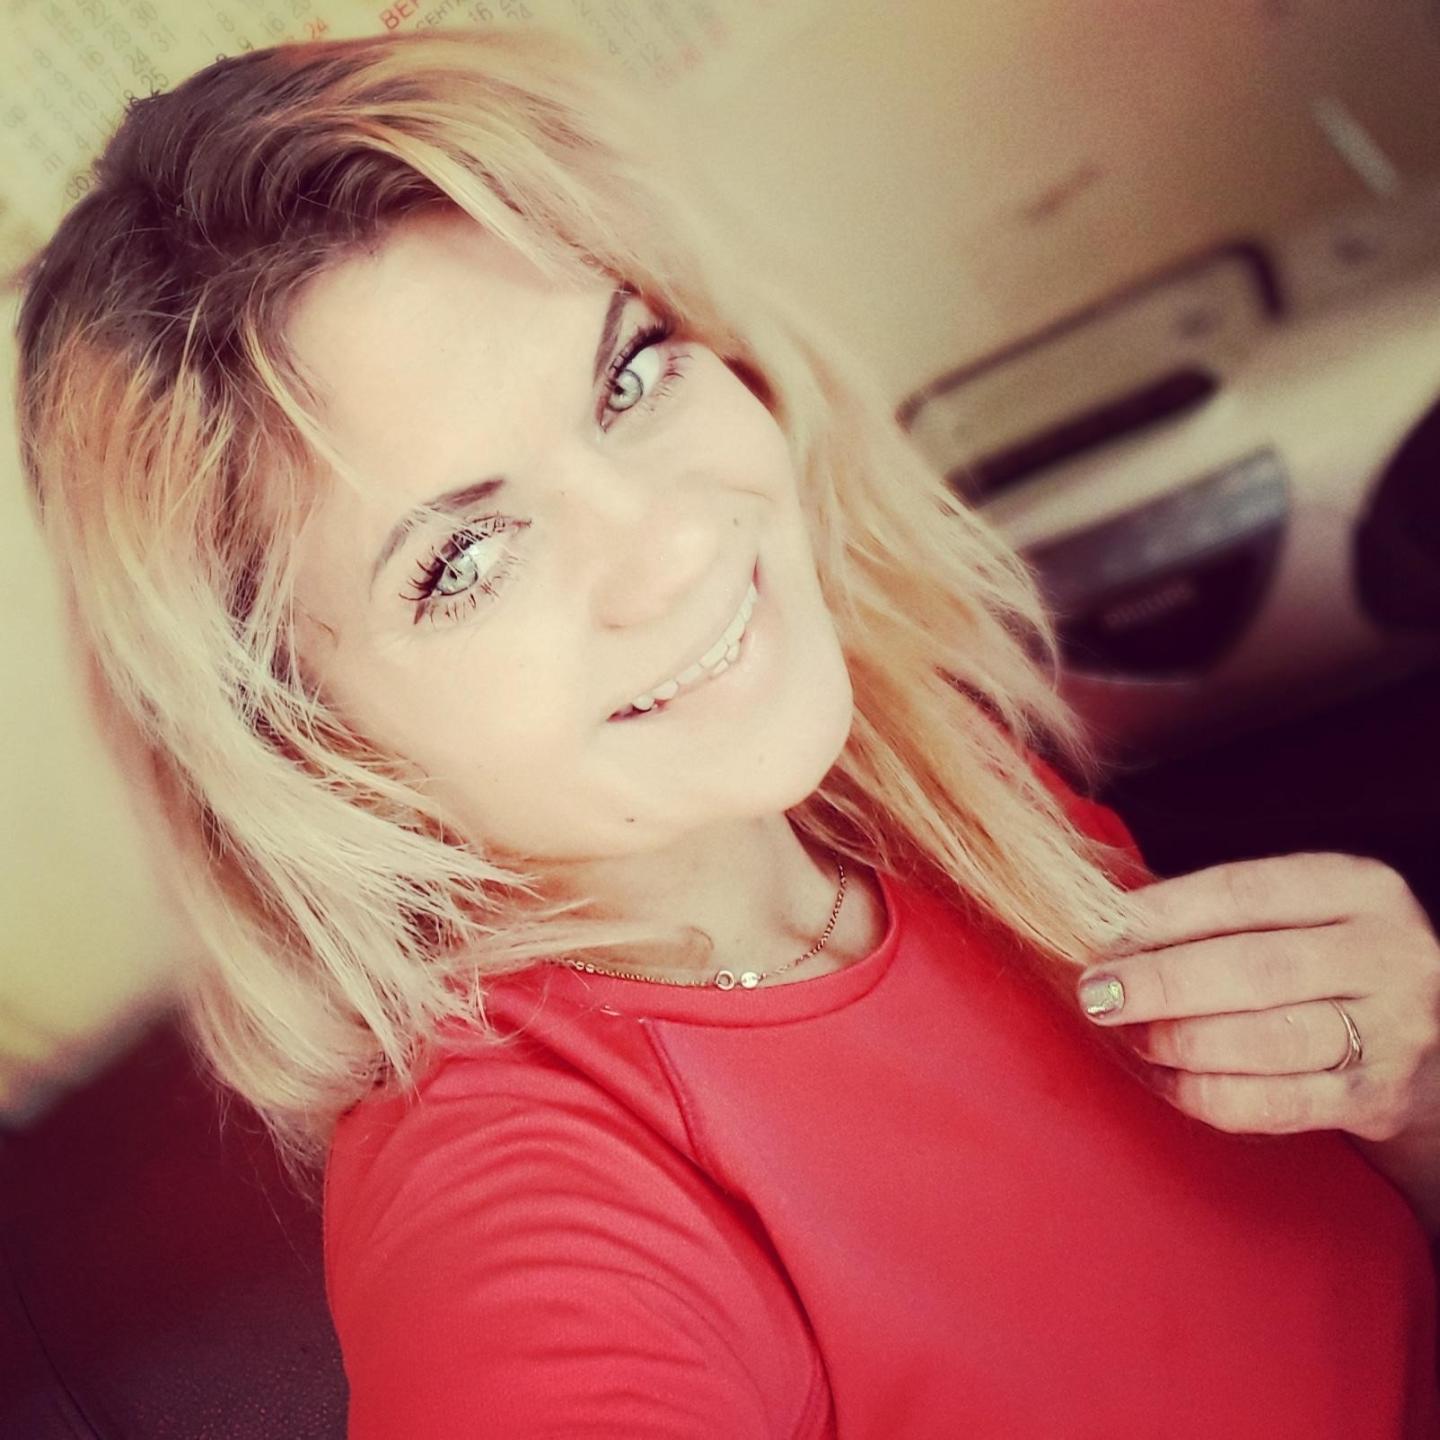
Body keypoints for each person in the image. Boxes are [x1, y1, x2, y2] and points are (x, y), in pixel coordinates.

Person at [12, 27, 1440, 1439]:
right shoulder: (527, 1188)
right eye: (466, 558)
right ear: (299, 733)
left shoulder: (902, 770)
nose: (679, 544)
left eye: (630, 377)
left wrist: (1412, 1085)